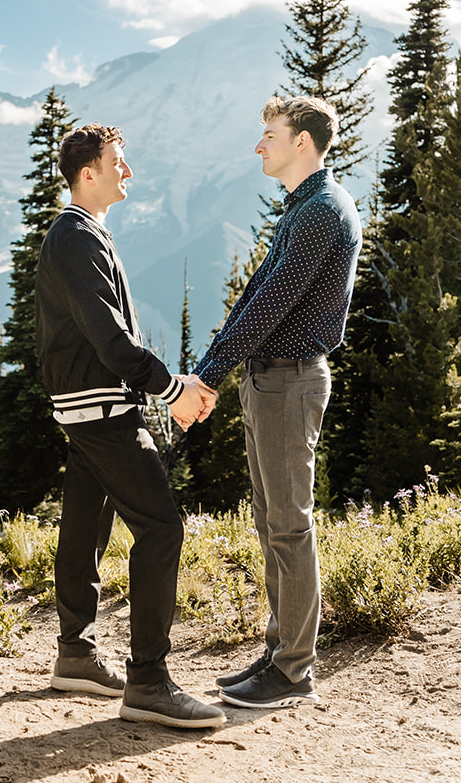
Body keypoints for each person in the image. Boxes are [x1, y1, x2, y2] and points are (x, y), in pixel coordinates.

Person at [36, 122, 225, 729]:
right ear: (87, 172)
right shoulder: (76, 239)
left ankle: (76, 653)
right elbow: (111, 341)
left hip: (85, 409)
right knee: (162, 527)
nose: (128, 170)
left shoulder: (82, 234)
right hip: (102, 411)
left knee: (86, 524)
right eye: (118, 161)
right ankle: (148, 681)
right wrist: (174, 391)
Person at [193, 96, 361, 710]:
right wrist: (214, 368)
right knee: (272, 523)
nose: (259, 146)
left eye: (270, 134)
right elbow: (257, 295)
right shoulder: (304, 208)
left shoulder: (320, 212)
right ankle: (280, 651)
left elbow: (271, 307)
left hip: (290, 382)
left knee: (289, 525)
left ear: (304, 143)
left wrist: (207, 374)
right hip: (270, 381)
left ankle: (293, 672)